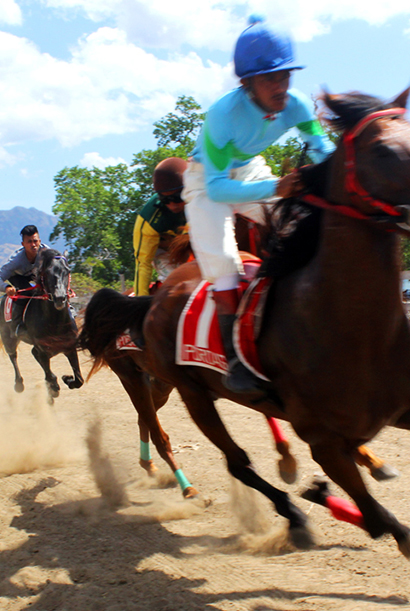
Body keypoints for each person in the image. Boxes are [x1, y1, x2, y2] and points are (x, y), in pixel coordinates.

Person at [184, 15, 334, 396]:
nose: (281, 86)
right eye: (271, 78)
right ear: (246, 82)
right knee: (223, 262)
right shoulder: (221, 114)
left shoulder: (296, 104)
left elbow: (322, 149)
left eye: (286, 76)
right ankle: (236, 362)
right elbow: (218, 190)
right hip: (207, 181)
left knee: (297, 222)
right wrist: (277, 187)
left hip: (249, 170)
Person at [133, 157, 189, 296]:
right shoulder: (148, 220)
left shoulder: (204, 198)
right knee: (177, 280)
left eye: (177, 197)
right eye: (165, 200)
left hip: (194, 245)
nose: (172, 205)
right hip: (163, 252)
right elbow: (143, 264)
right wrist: (140, 302)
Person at [0, 224, 47, 296]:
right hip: (17, 277)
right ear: (23, 244)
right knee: (28, 293)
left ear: (40, 241)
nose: (33, 244)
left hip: (36, 275)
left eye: (35, 241)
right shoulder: (16, 260)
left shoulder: (48, 254)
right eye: (29, 242)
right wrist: (7, 287)